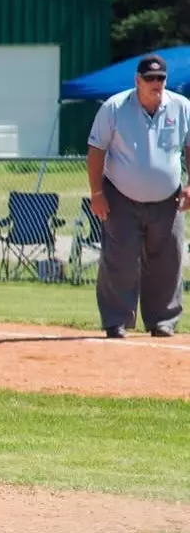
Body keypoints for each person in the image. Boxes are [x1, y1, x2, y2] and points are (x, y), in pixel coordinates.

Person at [87, 54, 190, 339]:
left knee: (168, 259)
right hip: (120, 196)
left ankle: (163, 320)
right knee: (119, 259)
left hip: (167, 198)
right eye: (150, 79)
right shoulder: (115, 107)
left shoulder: (181, 107)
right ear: (137, 81)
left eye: (161, 78)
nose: (156, 83)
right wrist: (97, 193)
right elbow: (96, 150)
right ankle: (116, 320)